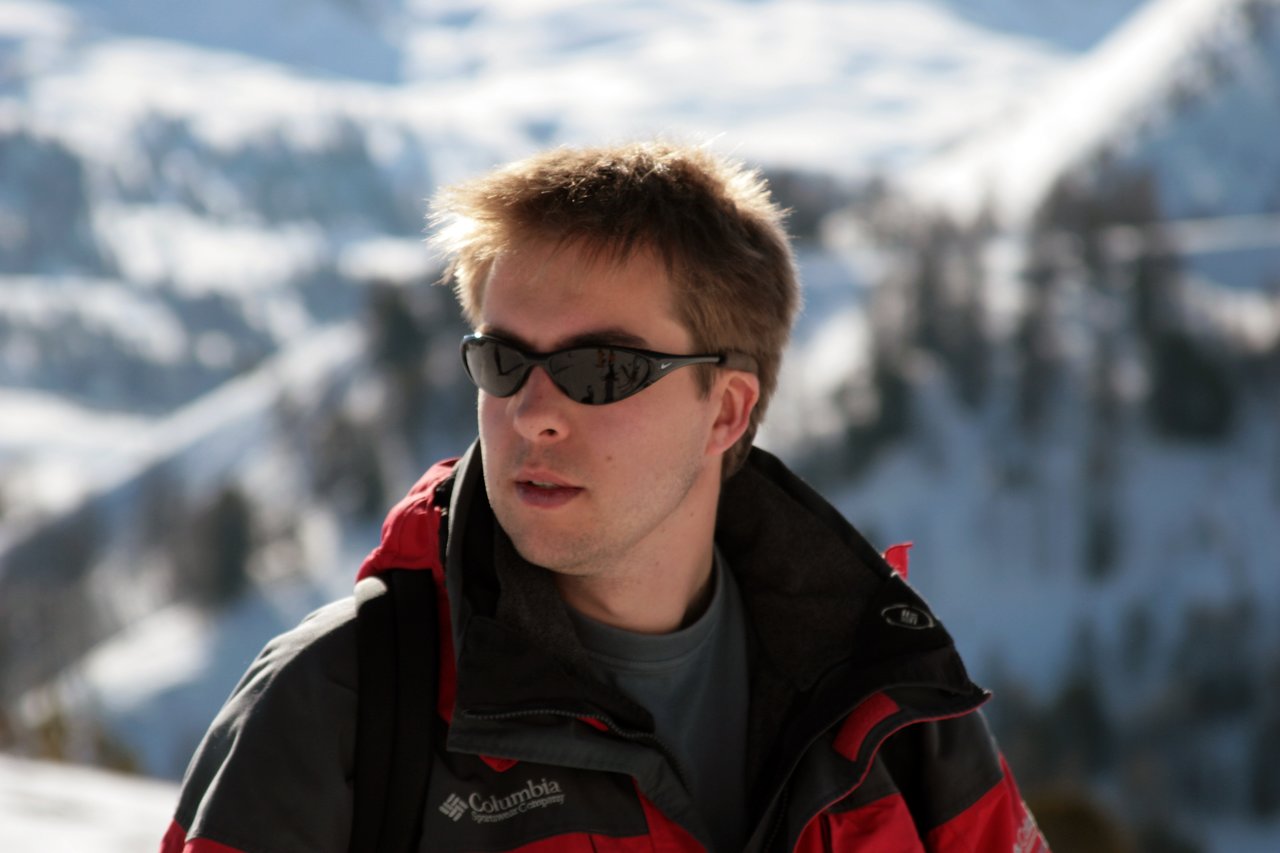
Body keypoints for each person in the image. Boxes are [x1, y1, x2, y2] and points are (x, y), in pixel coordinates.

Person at [161, 141, 1049, 852]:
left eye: (603, 369)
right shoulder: (338, 705)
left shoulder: (893, 703)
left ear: (726, 411)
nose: (533, 413)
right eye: (504, 361)